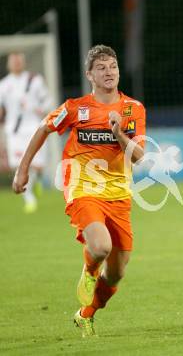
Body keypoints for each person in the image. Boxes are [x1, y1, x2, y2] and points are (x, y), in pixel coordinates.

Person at [12, 45, 146, 337]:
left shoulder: (132, 109)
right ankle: (88, 270)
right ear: (89, 75)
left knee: (117, 272)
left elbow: (138, 156)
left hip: (118, 193)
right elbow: (44, 129)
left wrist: (119, 134)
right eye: (101, 68)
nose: (109, 72)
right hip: (82, 187)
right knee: (100, 247)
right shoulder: (75, 107)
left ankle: (86, 314)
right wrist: (23, 169)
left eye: (113, 66)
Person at [0, 52, 53, 213]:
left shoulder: (34, 80)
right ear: (8, 64)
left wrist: (42, 109)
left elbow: (48, 100)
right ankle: (29, 199)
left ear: (23, 62)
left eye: (19, 60)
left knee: (36, 165)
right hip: (14, 131)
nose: (16, 63)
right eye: (13, 61)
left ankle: (35, 181)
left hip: (34, 128)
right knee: (18, 165)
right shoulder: (3, 84)